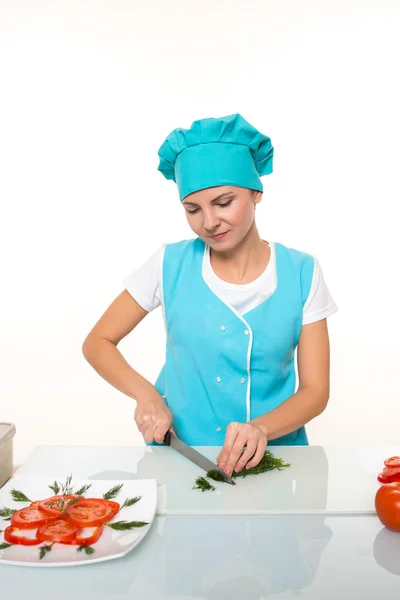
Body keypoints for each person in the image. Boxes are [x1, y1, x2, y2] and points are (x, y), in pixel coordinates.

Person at [82, 113, 337, 478]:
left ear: (256, 192)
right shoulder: (169, 263)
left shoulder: (302, 272)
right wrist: (147, 396)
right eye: (192, 209)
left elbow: (316, 390)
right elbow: (98, 342)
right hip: (183, 460)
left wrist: (261, 429)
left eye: (223, 202)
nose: (209, 222)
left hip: (279, 465)